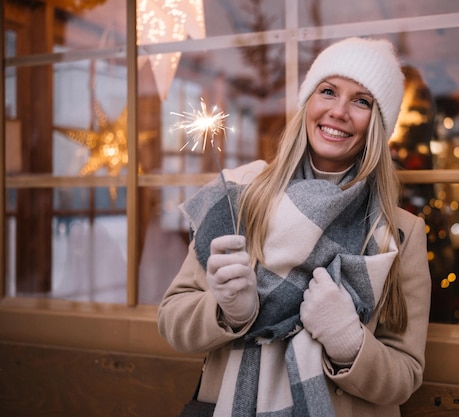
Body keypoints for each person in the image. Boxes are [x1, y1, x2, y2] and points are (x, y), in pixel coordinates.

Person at [158, 36, 432, 417]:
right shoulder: (240, 196)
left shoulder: (398, 233)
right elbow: (172, 319)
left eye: (361, 101)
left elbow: (404, 376)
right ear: (308, 103)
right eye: (328, 91)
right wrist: (226, 311)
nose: (338, 111)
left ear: (378, 122)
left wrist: (348, 342)